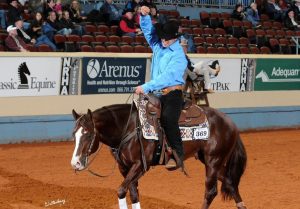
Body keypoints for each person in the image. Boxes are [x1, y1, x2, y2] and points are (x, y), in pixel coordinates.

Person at [135, 6, 187, 169]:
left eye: (167, 39)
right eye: (162, 38)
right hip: (155, 92)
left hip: (172, 94)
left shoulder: (179, 56)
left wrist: (146, 86)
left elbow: (168, 77)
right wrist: (144, 16)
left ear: (175, 39)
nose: (163, 41)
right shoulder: (159, 45)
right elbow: (148, 31)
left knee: (168, 119)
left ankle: (178, 155)